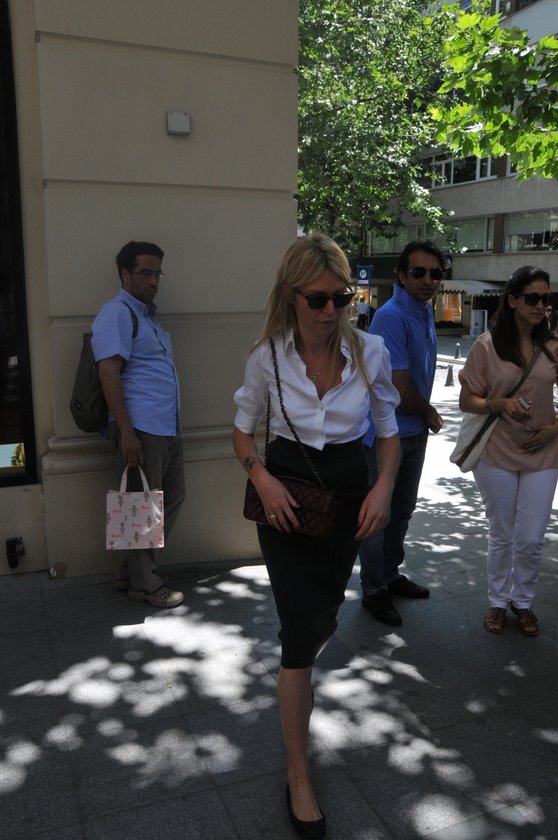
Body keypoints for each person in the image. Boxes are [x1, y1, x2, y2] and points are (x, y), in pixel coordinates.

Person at [233, 233, 400, 838]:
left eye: (341, 298)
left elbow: (387, 430)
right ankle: (298, 775)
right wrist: (260, 476)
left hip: (348, 498)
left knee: (322, 619)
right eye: (317, 299)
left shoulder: (370, 351)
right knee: (300, 635)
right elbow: (242, 430)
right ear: (290, 294)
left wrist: (383, 489)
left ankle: (299, 668)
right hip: (285, 500)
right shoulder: (267, 358)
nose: (331, 311)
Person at [458, 266, 558, 637]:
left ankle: (523, 601)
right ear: (513, 300)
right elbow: (467, 400)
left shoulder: (553, 346)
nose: (540, 306)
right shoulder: (487, 346)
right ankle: (499, 602)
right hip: (497, 452)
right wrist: (497, 403)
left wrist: (554, 429)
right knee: (502, 532)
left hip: (544, 453)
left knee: (531, 537)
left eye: (546, 299)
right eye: (532, 298)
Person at [92, 241, 185, 608]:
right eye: (145, 273)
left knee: (169, 497)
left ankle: (130, 571)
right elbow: (108, 373)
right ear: (125, 274)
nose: (153, 281)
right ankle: (144, 585)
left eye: (157, 273)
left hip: (165, 424)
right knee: (143, 506)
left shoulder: (147, 316)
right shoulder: (116, 313)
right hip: (141, 427)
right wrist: (127, 432)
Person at [359, 241, 446, 626]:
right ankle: (373, 589)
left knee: (402, 511)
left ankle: (390, 575)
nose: (428, 280)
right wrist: (428, 411)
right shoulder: (392, 317)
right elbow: (397, 386)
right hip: (385, 435)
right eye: (419, 272)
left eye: (435, 273)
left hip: (414, 432)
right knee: (377, 516)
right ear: (401, 275)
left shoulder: (423, 310)